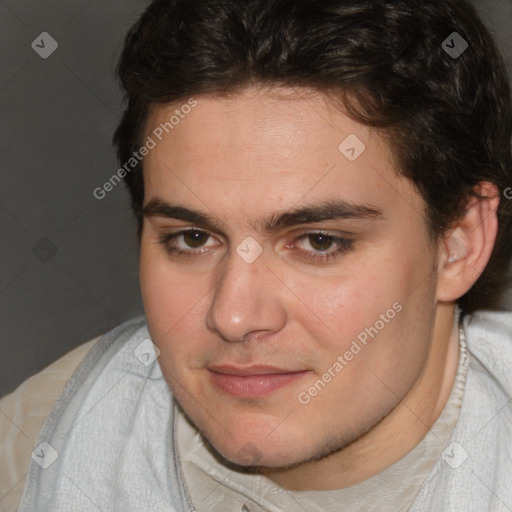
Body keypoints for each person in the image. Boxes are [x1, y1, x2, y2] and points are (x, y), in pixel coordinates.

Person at [2, 0, 512, 510]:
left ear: (458, 245)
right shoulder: (38, 448)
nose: (234, 316)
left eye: (318, 242)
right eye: (193, 238)